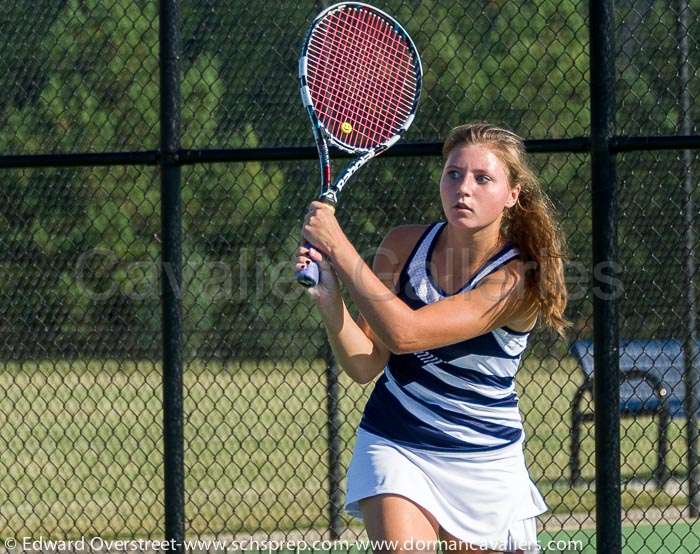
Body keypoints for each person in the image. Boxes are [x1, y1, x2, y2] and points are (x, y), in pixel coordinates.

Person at [294, 122, 570, 554]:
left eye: (483, 179)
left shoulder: (517, 279)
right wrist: (331, 301)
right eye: (454, 174)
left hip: (484, 461)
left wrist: (339, 246)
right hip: (396, 441)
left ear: (513, 194)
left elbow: (407, 334)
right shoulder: (403, 245)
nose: (464, 188)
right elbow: (366, 363)